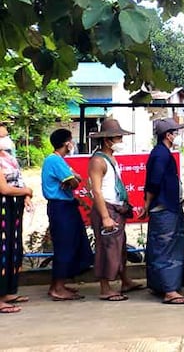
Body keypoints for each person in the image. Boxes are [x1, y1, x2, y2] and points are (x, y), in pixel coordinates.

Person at [87, 119, 141, 301]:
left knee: (120, 247)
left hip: (116, 206)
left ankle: (125, 280)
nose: (121, 141)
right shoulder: (97, 161)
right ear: (107, 140)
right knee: (107, 248)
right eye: (118, 138)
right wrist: (105, 217)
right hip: (107, 208)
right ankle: (105, 287)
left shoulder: (111, 158)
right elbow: (96, 190)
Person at [41, 129, 93, 301]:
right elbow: (74, 182)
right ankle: (57, 287)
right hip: (61, 207)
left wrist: (74, 179)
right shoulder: (54, 160)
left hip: (67, 206)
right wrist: (74, 179)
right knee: (65, 245)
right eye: (71, 141)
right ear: (66, 143)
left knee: (73, 243)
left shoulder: (59, 161)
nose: (73, 144)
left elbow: (73, 181)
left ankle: (58, 284)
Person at [143, 118, 184, 305]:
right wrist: (147, 204)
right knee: (167, 248)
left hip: (167, 206)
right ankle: (169, 290)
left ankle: (161, 285)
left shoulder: (161, 153)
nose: (177, 136)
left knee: (163, 246)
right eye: (175, 133)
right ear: (168, 135)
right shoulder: (161, 155)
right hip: (164, 207)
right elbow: (153, 183)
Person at [0, 125, 33, 314]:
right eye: (2, 136)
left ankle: (9, 291)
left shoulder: (9, 158)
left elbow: (19, 180)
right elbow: (4, 189)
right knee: (2, 250)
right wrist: (26, 191)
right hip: (3, 207)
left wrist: (26, 195)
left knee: (13, 247)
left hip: (14, 207)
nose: (5, 139)